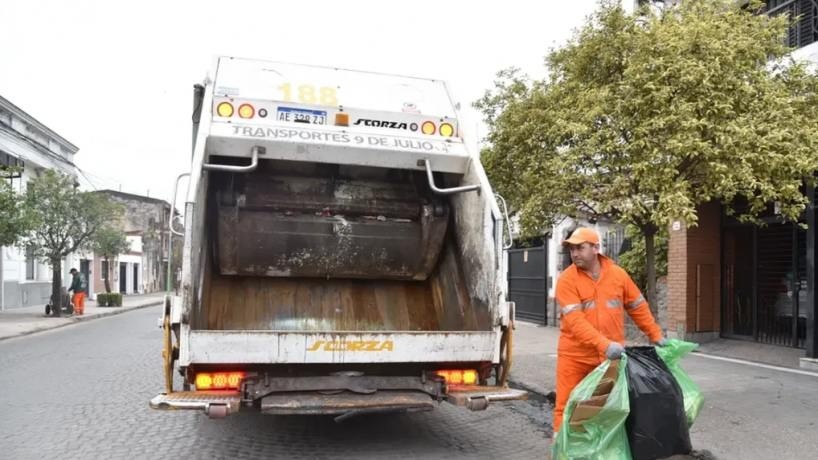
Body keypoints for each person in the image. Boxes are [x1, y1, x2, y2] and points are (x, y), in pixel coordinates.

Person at [552, 227, 666, 436]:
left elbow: (637, 306)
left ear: (596, 248)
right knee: (567, 407)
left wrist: (655, 334)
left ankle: (597, 451)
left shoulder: (617, 275)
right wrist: (605, 345)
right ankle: (562, 452)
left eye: (580, 247)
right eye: (571, 249)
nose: (574, 253)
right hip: (575, 356)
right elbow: (576, 322)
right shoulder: (567, 280)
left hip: (608, 359)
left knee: (602, 408)